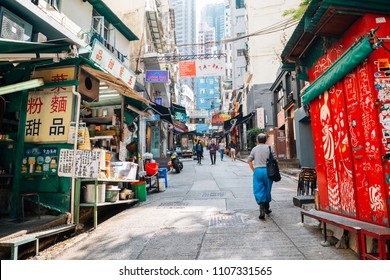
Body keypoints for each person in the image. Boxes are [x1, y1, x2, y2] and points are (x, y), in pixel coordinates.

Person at [247, 133, 274, 220]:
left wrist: (254, 170)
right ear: (265, 140)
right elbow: (274, 160)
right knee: (267, 188)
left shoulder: (254, 149)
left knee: (259, 189)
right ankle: (267, 208)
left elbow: (249, 160)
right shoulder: (269, 148)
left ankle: (262, 209)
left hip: (258, 170)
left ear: (257, 140)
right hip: (268, 171)